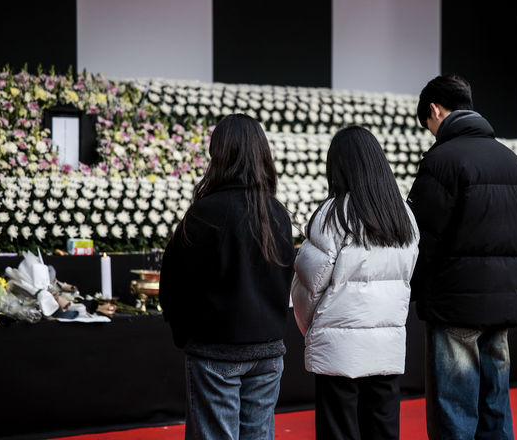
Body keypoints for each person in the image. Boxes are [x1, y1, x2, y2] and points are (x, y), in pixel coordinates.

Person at [407, 74, 517, 439]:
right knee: (495, 402)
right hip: (504, 301)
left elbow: (422, 237)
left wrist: (416, 292)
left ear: (434, 109)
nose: (432, 133)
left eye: (428, 125)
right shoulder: (514, 162)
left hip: (455, 304)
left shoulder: (443, 159)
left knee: (455, 406)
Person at [159, 114, 296, 440]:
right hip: (268, 351)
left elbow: (173, 284)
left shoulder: (205, 212)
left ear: (217, 154)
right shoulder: (276, 213)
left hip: (216, 352)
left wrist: (186, 335)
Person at [291, 126, 420, 440]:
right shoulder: (403, 215)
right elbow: (407, 276)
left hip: (339, 351)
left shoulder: (333, 214)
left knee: (339, 431)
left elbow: (309, 286)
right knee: (383, 429)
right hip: (386, 348)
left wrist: (312, 328)